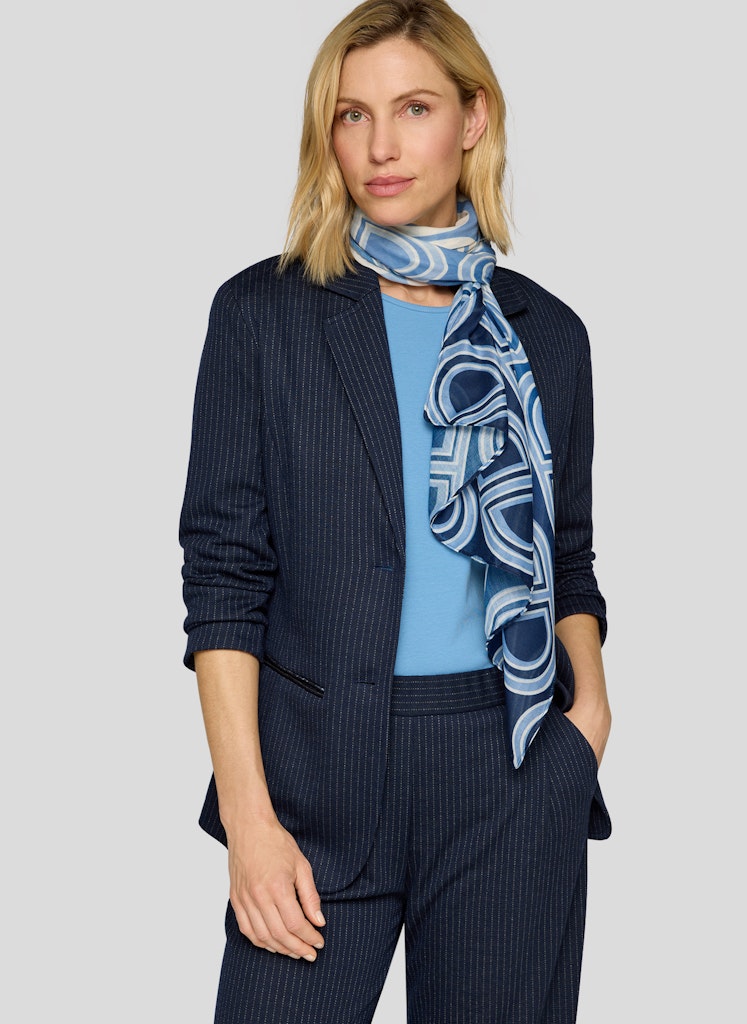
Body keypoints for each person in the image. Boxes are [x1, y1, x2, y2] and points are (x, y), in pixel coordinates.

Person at [179, 1, 612, 1021]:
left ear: (472, 117)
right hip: (315, 776)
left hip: (509, 765)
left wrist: (587, 718)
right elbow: (225, 579)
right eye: (352, 114)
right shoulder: (264, 315)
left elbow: (568, 556)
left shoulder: (546, 335)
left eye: (413, 108)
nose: (379, 146)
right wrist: (250, 820)